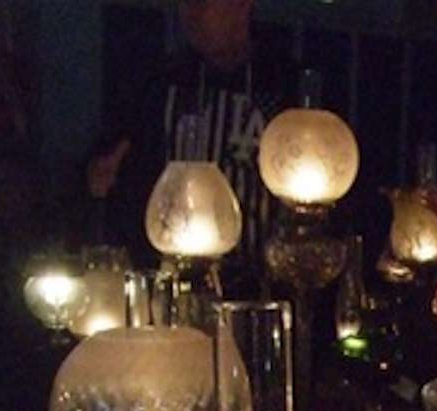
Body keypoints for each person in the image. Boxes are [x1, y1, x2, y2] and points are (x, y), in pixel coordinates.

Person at [86, 0, 287, 293]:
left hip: (262, 281)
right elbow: (109, 161)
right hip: (171, 278)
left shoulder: (282, 86)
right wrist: (99, 178)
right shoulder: (158, 85)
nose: (191, 11)